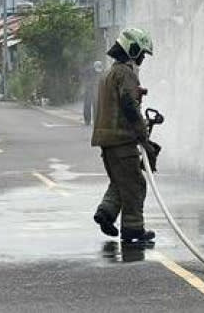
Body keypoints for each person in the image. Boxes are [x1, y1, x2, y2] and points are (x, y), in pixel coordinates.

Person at [91, 28, 160, 244]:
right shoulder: (125, 73)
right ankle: (133, 230)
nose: (142, 59)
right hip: (122, 140)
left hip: (107, 140)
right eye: (141, 53)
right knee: (135, 184)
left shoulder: (109, 74)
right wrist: (143, 136)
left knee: (121, 181)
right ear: (132, 49)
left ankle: (106, 213)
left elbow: (117, 106)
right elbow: (130, 106)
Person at [82, 60, 103, 126]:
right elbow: (85, 81)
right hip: (88, 90)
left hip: (96, 91)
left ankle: (96, 120)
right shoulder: (88, 71)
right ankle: (87, 120)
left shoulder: (101, 72)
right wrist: (91, 84)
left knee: (96, 105)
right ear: (94, 67)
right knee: (87, 105)